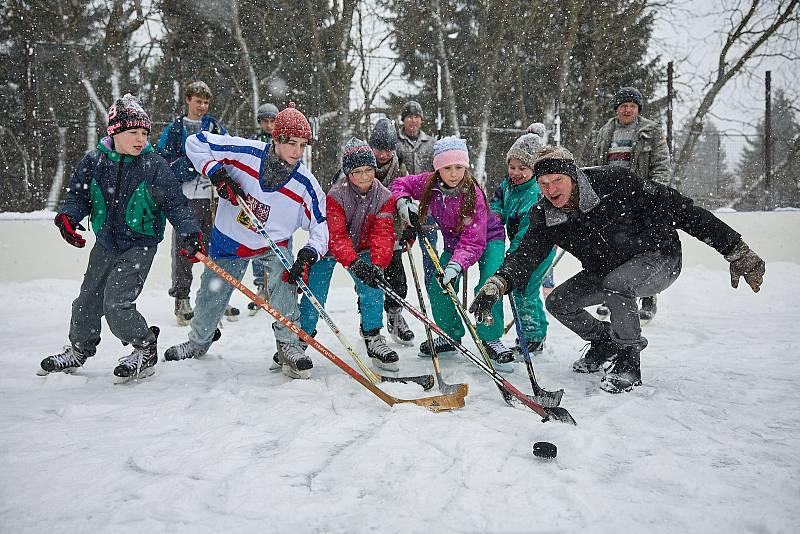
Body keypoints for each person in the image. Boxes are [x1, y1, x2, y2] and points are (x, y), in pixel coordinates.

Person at [470, 146, 765, 393]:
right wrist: (497, 283)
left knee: (616, 284)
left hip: (658, 256)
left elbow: (680, 209)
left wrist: (735, 249)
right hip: (607, 269)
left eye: (557, 180)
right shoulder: (545, 213)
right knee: (559, 301)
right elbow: (527, 254)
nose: (551, 189)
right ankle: (605, 341)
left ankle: (628, 360)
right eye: (544, 183)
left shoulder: (616, 182)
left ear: (572, 175)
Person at [39, 94, 202, 383]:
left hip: (140, 243)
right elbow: (78, 194)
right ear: (114, 132)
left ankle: (144, 346)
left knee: (116, 302)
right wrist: (68, 216)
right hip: (105, 242)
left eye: (144, 133)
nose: (141, 139)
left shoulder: (153, 165)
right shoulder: (95, 161)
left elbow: (176, 204)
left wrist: (190, 233)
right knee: (87, 299)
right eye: (133, 133)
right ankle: (79, 348)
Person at [164, 103, 329, 380]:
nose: (297, 152)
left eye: (303, 145)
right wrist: (216, 172)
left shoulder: (305, 183)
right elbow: (196, 142)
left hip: (273, 246)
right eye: (291, 143)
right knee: (210, 295)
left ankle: (289, 345)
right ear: (276, 139)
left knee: (285, 282)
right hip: (229, 241)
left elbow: (321, 226)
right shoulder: (245, 152)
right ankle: (198, 341)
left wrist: (309, 254)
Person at [392, 137, 514, 372]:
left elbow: (474, 242)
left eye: (459, 167)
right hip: (455, 242)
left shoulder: (472, 193)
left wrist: (456, 265)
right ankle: (450, 335)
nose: (454, 173)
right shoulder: (430, 184)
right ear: (438, 167)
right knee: (439, 285)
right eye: (447, 167)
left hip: (488, 239)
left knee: (489, 284)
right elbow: (400, 183)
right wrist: (403, 203)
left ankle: (490, 338)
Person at [298, 138, 399, 371]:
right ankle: (300, 337)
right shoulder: (335, 195)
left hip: (362, 248)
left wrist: (377, 265)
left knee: (373, 287)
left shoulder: (384, 196)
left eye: (369, 170)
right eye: (357, 172)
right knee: (316, 290)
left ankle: (373, 335)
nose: (364, 177)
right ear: (348, 173)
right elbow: (336, 235)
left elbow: (383, 234)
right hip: (331, 250)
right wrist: (353, 263)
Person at [156, 80, 239, 325]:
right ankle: (181, 299)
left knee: (218, 249)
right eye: (198, 101)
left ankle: (216, 297)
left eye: (206, 102)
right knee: (185, 248)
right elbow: (164, 163)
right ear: (188, 100)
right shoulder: (174, 129)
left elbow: (229, 151)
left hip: (214, 198)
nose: (202, 106)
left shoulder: (214, 126)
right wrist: (192, 165)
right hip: (187, 198)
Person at [593, 87, 672, 324]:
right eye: (624, 105)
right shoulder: (605, 132)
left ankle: (648, 297)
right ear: (616, 108)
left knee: (643, 249)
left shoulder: (650, 131)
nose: (628, 109)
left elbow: (661, 165)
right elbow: (598, 165)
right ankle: (611, 294)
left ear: (638, 109)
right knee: (613, 248)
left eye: (633, 106)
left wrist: (653, 193)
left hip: (642, 199)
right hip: (612, 201)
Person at [490, 125, 556, 355]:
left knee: (523, 291)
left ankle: (532, 337)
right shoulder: (508, 185)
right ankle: (535, 332)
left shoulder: (534, 194)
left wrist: (513, 257)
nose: (516, 172)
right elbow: (497, 200)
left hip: (534, 251)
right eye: (512, 166)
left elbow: (527, 234)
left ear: (535, 169)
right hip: (522, 248)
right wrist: (496, 214)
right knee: (527, 290)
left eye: (523, 168)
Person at [368, 117, 415, 346]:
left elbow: (408, 195)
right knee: (371, 280)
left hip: (393, 231)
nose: (383, 155)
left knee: (397, 279)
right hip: (368, 232)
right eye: (378, 148)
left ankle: (395, 316)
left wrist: (409, 227)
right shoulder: (363, 164)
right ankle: (369, 322)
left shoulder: (401, 167)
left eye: (388, 149)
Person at [396, 100, 438, 287]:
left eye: (416, 117)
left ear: (421, 120)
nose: (413, 121)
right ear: (403, 120)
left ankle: (433, 287)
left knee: (430, 251)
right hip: (402, 205)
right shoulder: (395, 143)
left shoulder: (431, 143)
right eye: (409, 117)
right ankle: (397, 290)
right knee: (397, 250)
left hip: (426, 206)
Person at [248, 102, 280, 315]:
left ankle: (278, 286)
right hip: (258, 197)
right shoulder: (253, 140)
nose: (269, 125)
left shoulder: (283, 141)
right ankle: (261, 284)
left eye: (272, 121)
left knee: (279, 241)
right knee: (257, 240)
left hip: (278, 198)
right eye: (265, 121)